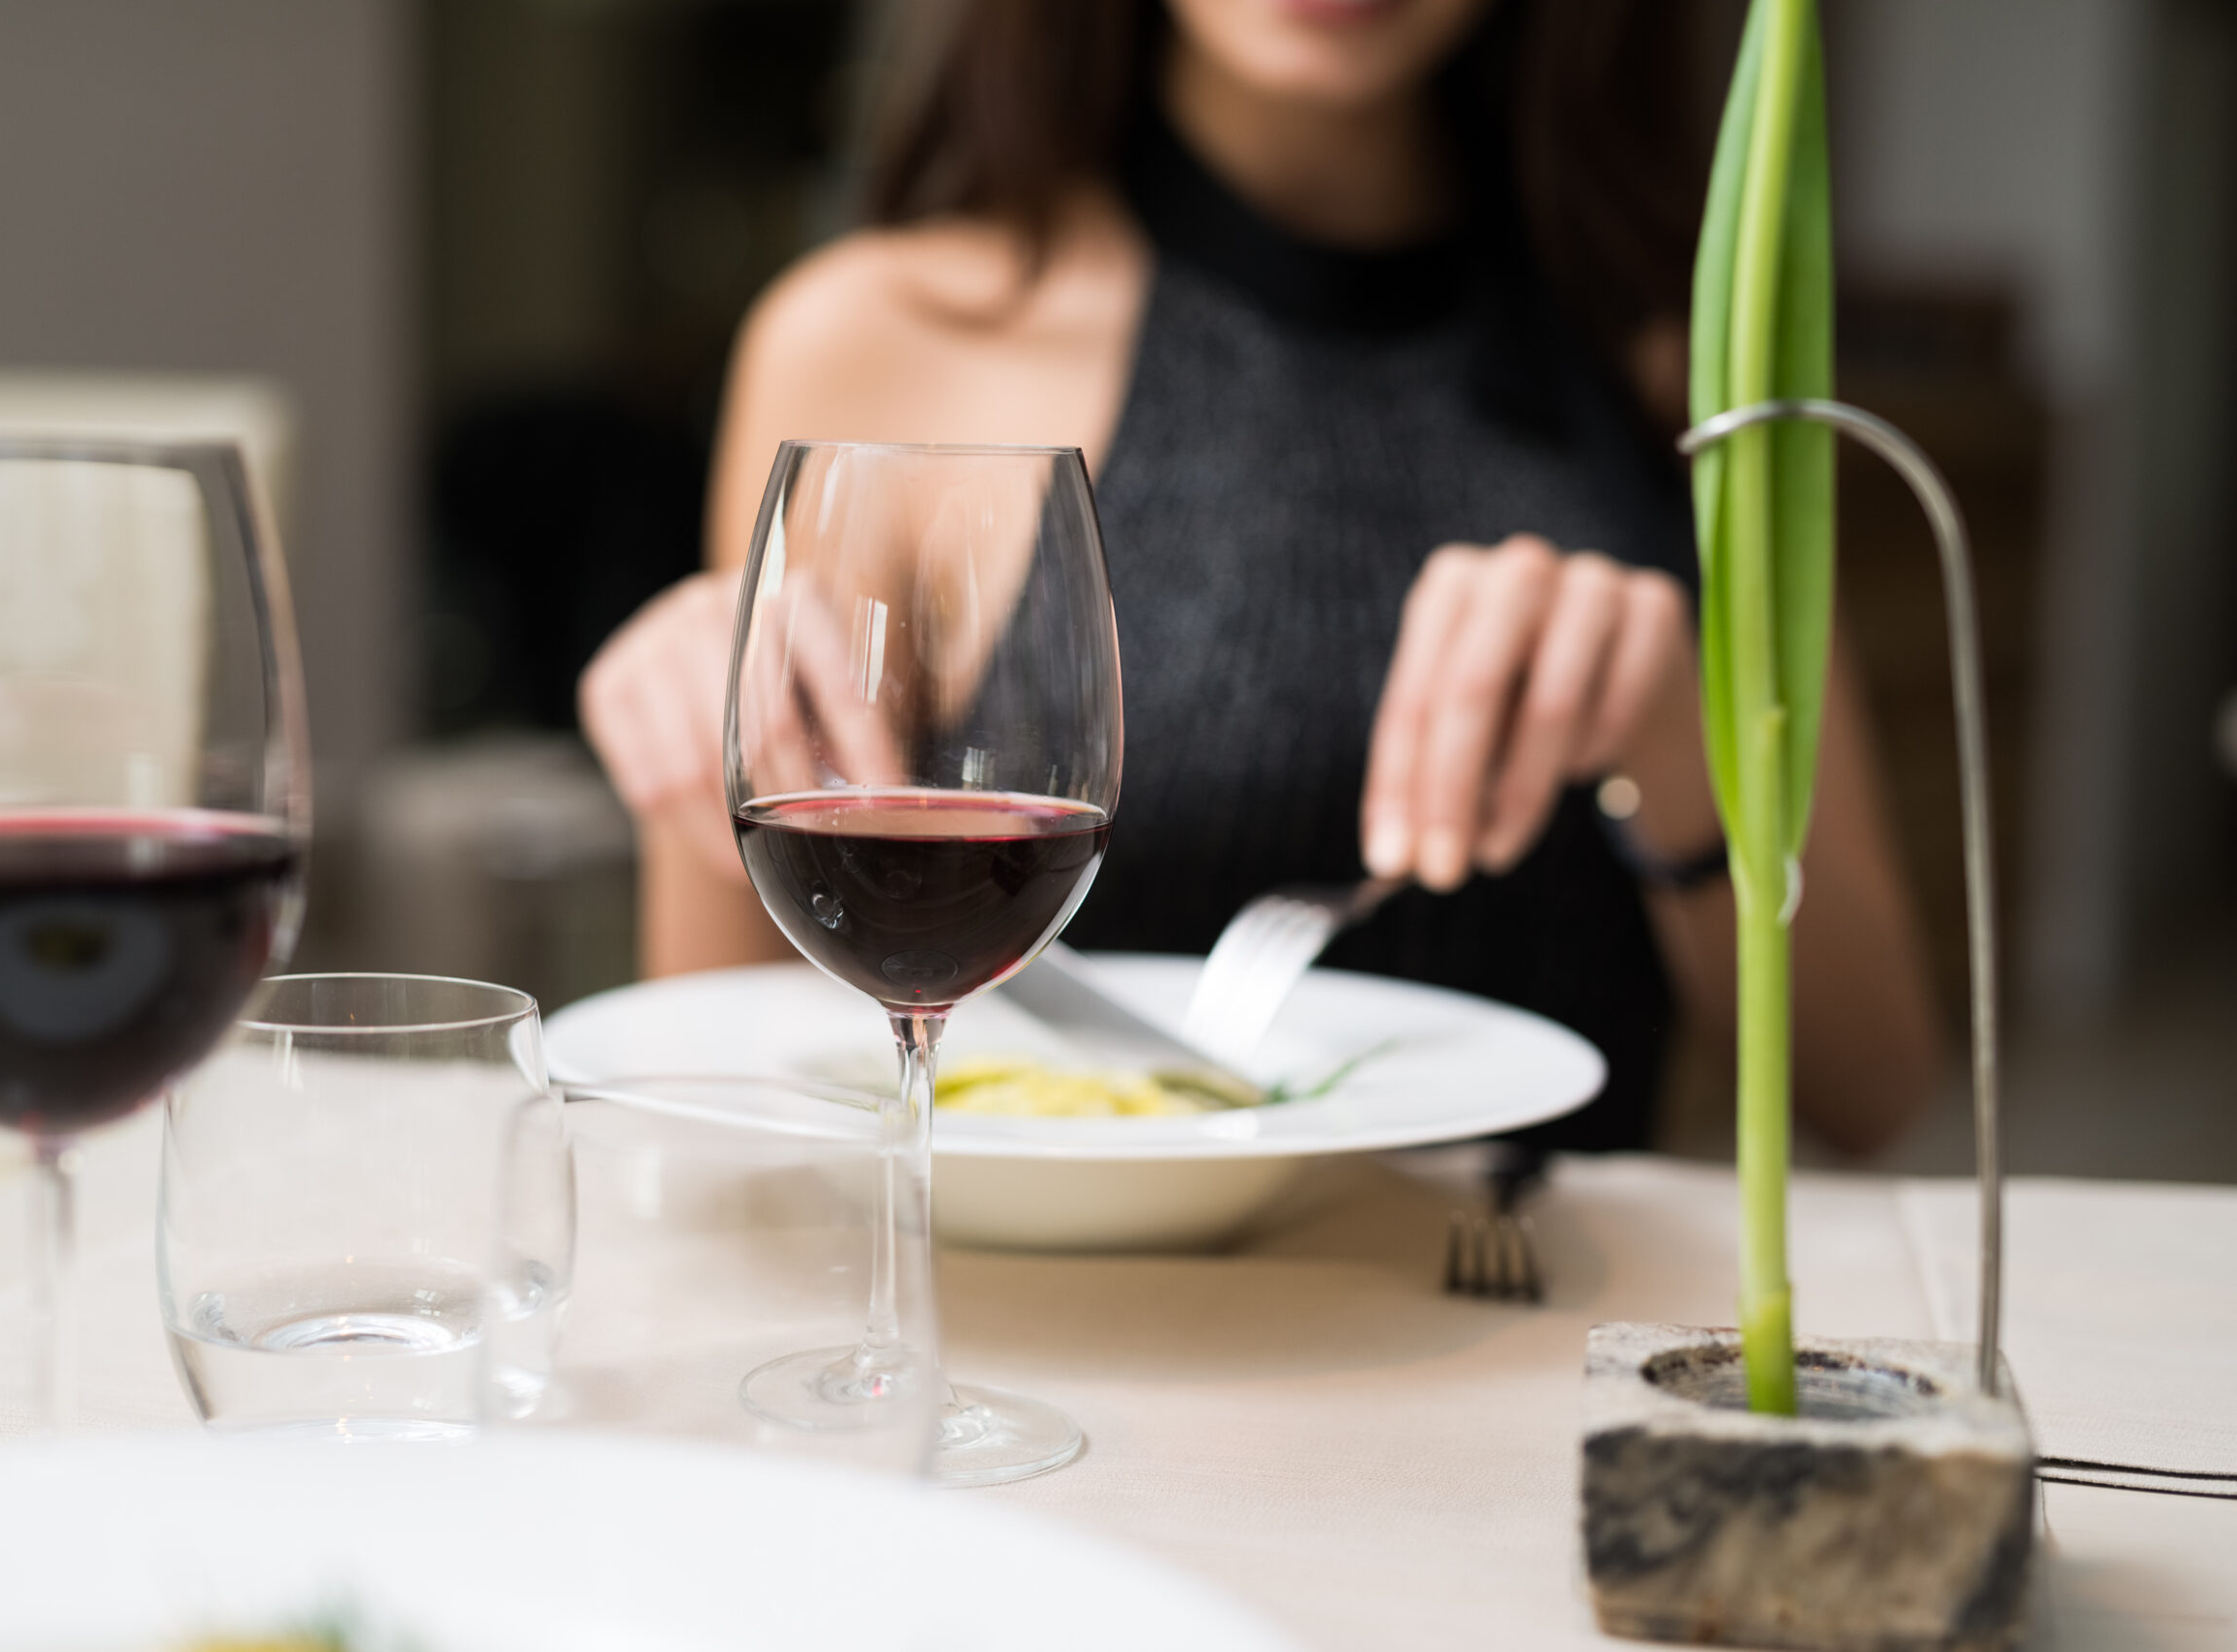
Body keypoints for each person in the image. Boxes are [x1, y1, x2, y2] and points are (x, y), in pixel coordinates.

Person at [580, 0, 1941, 1154]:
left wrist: (1680, 743)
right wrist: (701, 764)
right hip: (1045, 1369)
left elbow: (1870, 1085)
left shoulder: (1693, 372)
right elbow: (726, 1100)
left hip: (1517, 1360)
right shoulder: (876, 344)